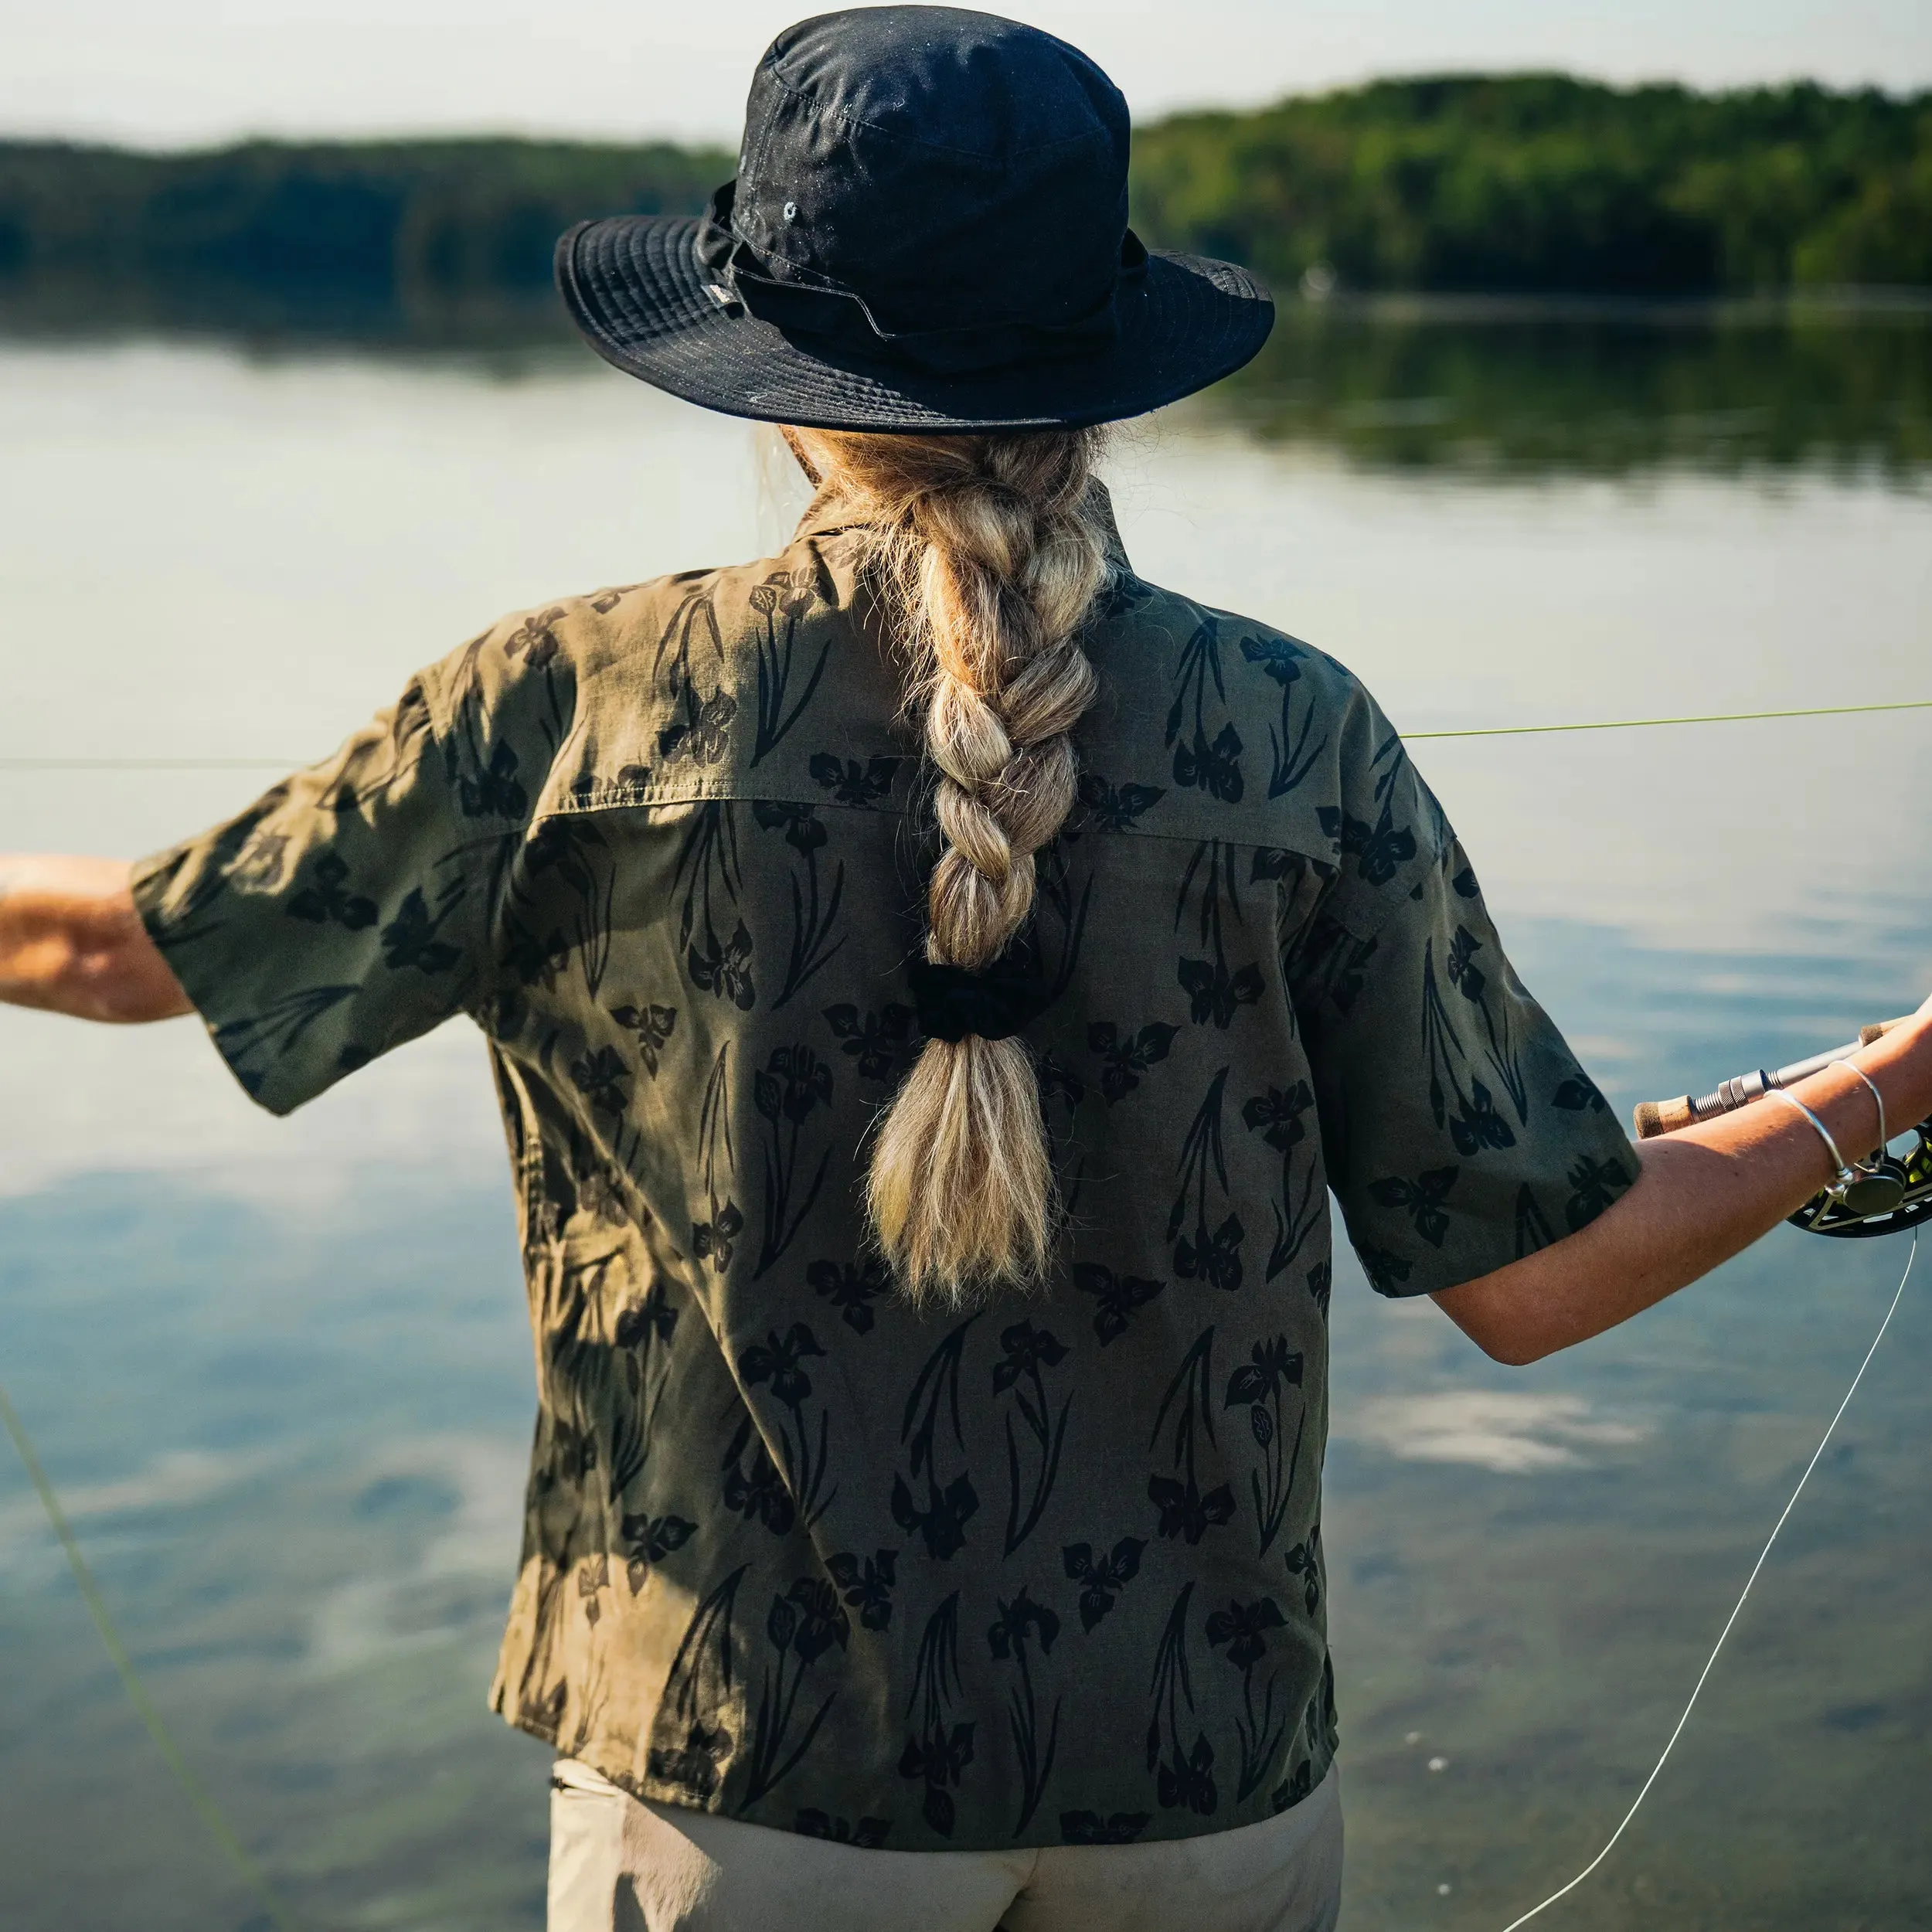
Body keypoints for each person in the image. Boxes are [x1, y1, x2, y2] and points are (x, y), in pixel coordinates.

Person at [3, 10, 1927, 1931]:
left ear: (772, 366)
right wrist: (1893, 1077)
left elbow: (115, 951)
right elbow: (1540, 1268)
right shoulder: (1293, 733)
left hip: (743, 1770)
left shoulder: (574, 705)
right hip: (1197, 1775)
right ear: (1101, 357)